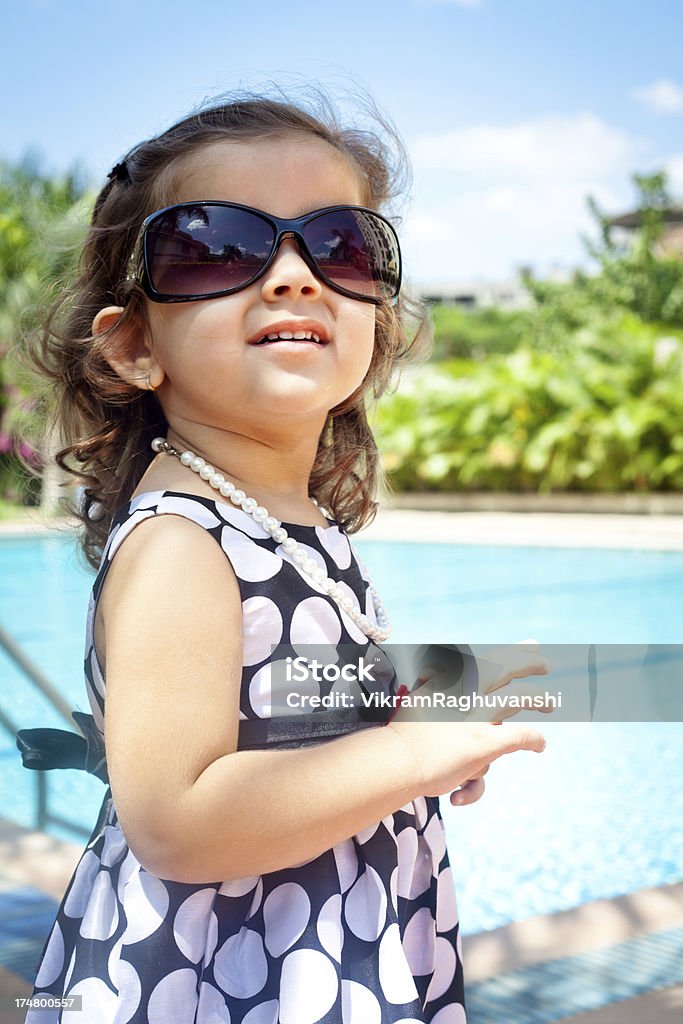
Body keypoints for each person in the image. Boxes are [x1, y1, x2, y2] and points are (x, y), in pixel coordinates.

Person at [19, 86, 550, 1024]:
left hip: (321, 956)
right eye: (214, 247)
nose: (294, 274)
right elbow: (179, 823)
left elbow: (278, 715)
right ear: (135, 345)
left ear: (374, 322)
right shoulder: (183, 542)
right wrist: (410, 758)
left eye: (342, 245)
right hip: (225, 983)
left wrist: (403, 731)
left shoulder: (289, 519)